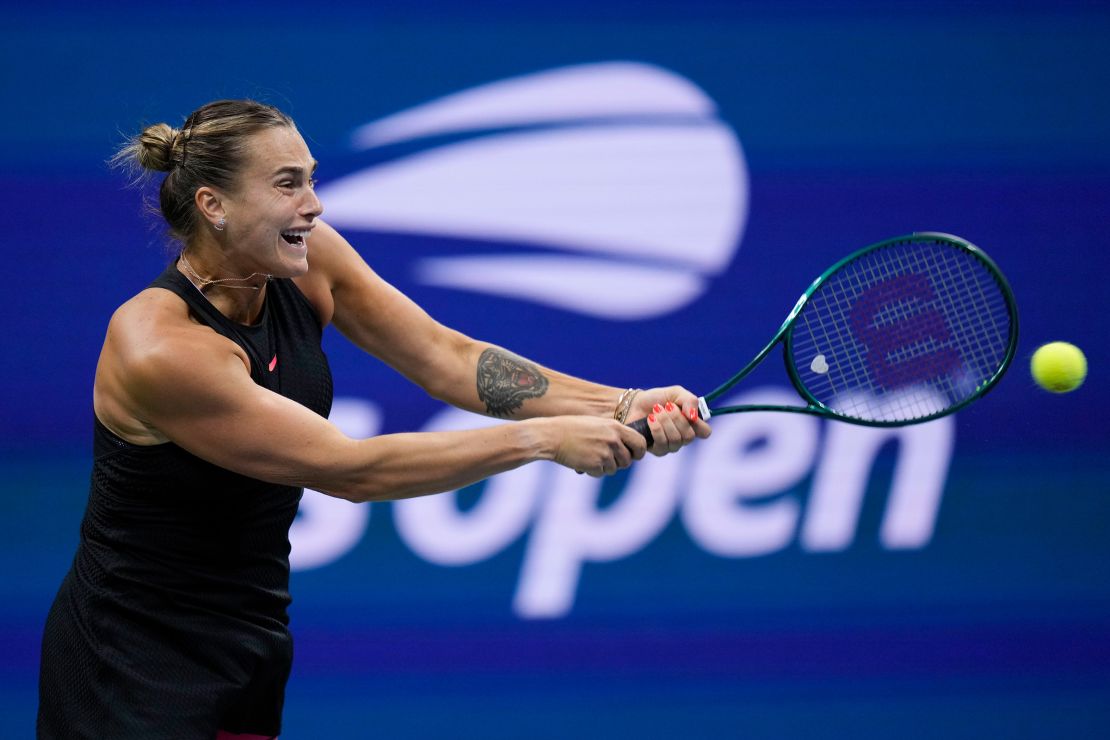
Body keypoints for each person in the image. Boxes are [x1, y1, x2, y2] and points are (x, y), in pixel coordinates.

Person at [37, 99, 711, 739]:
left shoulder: (305, 260)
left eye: (311, 180)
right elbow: (350, 470)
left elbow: (447, 359)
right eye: (287, 184)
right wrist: (543, 439)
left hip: (250, 634)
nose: (314, 203)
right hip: (131, 656)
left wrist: (617, 403)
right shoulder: (161, 347)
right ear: (213, 205)